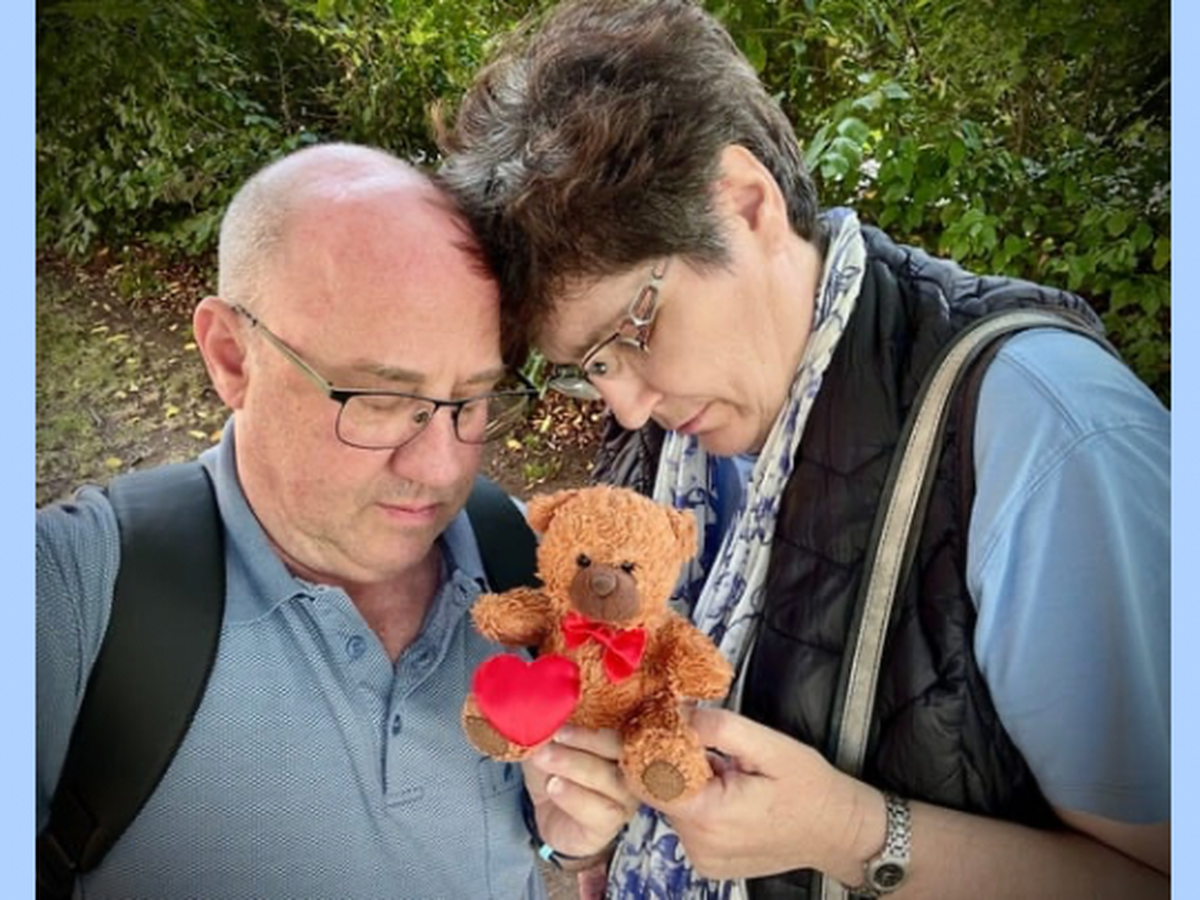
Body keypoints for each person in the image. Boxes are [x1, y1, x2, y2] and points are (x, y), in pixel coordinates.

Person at [436, 1, 1171, 897]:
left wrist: (854, 834)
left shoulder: (1045, 438)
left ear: (744, 203)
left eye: (634, 329)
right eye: (590, 367)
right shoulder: (671, 431)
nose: (626, 404)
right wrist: (587, 841)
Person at [36, 143, 634, 898]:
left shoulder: (534, 564)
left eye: (474, 400)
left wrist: (573, 848)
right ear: (232, 357)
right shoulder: (71, 595)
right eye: (380, 401)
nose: (442, 467)